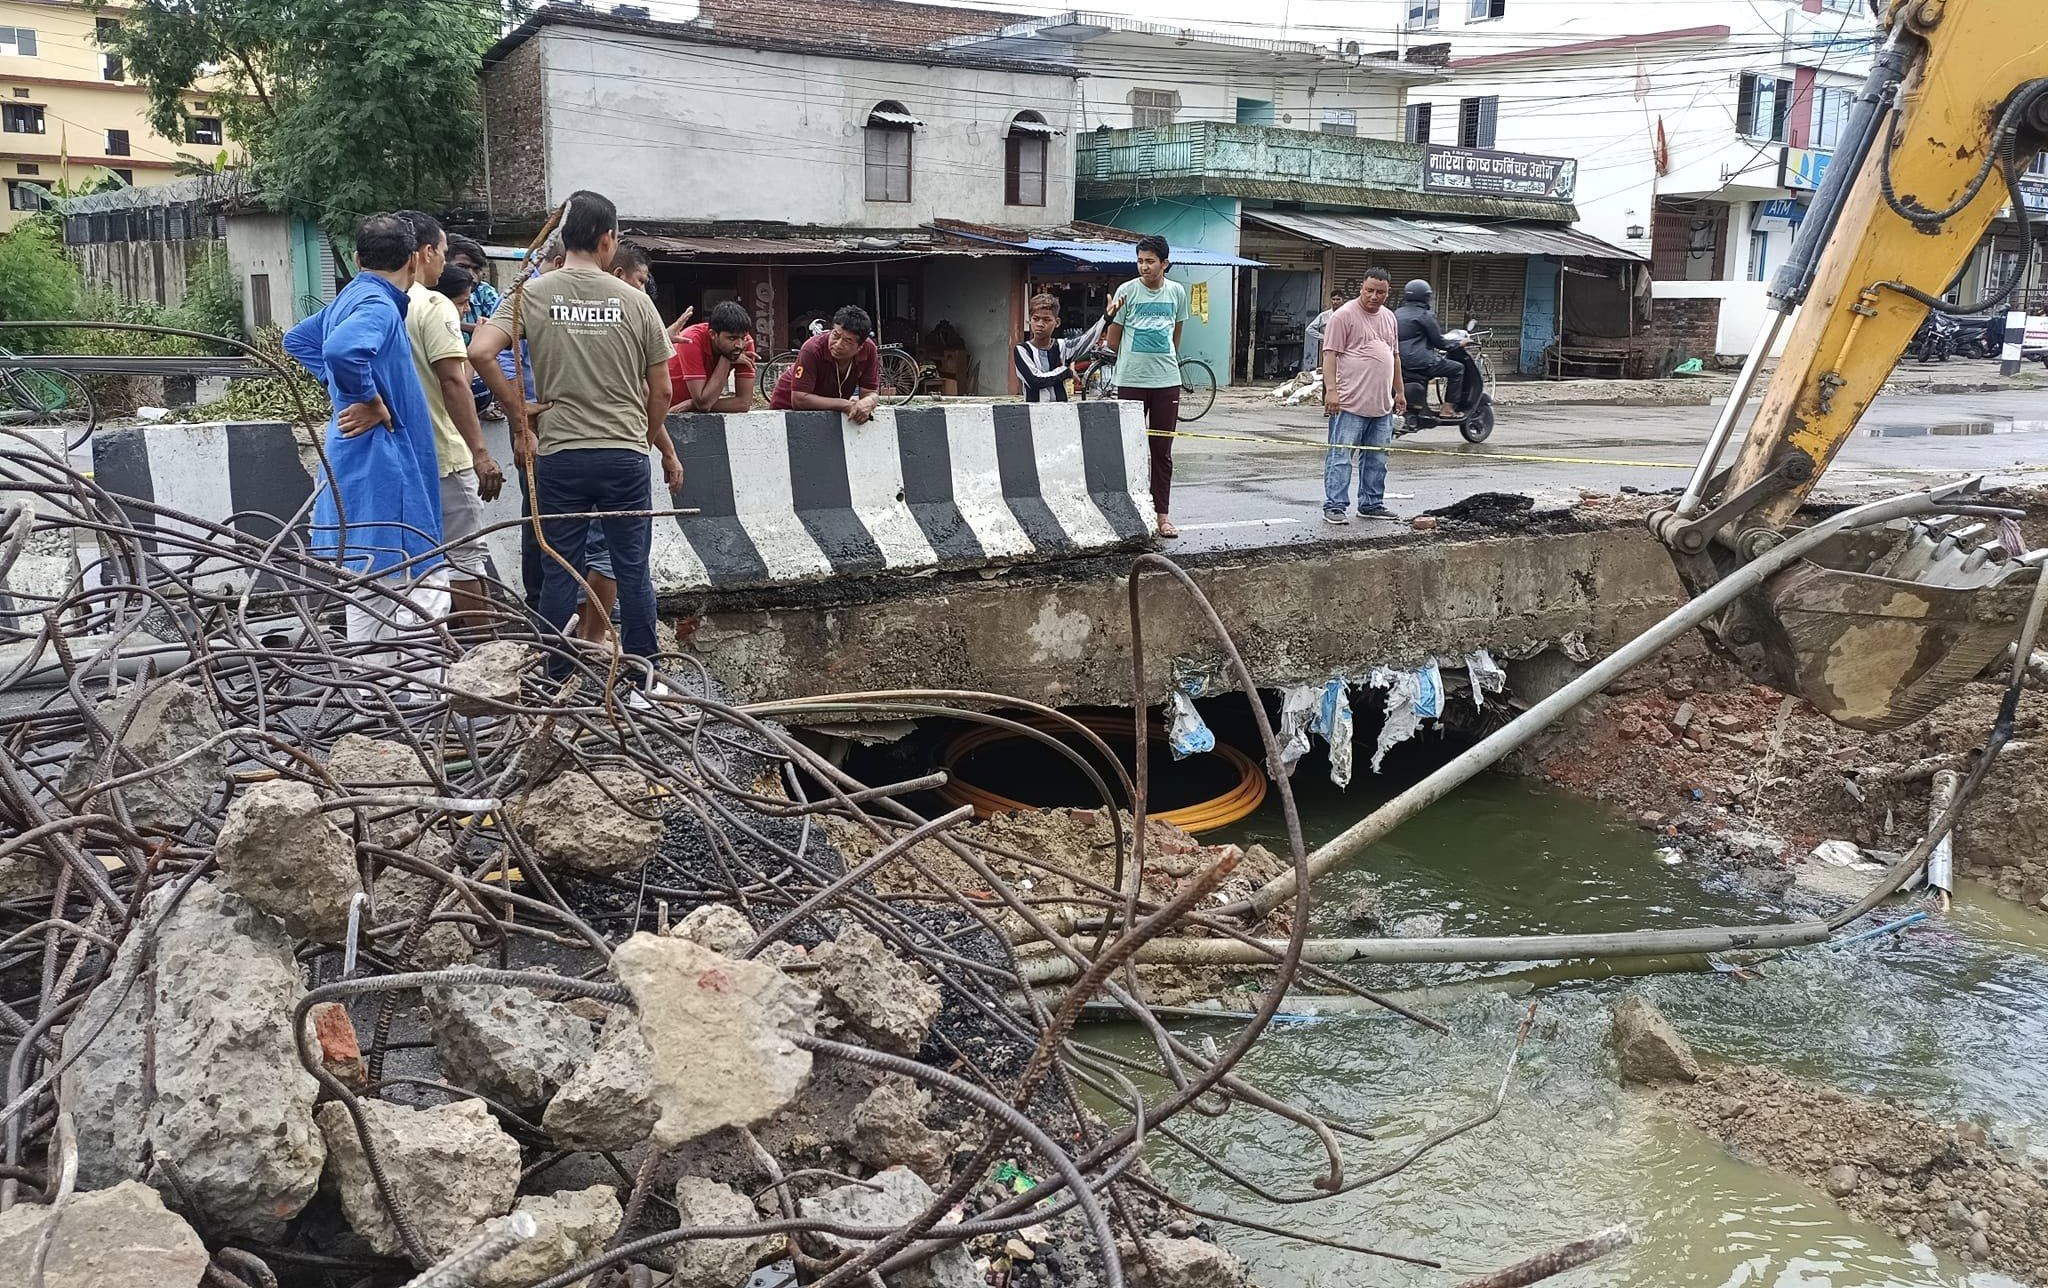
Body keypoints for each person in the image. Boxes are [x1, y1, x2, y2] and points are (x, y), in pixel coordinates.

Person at [468, 190, 682, 686]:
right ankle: (640, 682)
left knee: (559, 570)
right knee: (632, 570)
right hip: (623, 455)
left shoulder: (533, 293)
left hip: (560, 455)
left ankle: (553, 677)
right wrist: (644, 438)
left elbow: (480, 351)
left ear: (566, 239)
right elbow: (664, 389)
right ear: (608, 240)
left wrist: (518, 409)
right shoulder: (636, 301)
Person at [282, 212, 447, 645]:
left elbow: (298, 340)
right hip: (385, 467)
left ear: (357, 259)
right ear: (414, 260)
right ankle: (420, 702)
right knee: (421, 590)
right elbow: (340, 349)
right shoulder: (377, 305)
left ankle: (372, 699)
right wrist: (369, 400)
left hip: (354, 460)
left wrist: (344, 390)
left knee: (367, 590)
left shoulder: (350, 298)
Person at [395, 210, 505, 628]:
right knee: (465, 559)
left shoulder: (367, 302)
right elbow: (454, 383)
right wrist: (480, 452)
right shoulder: (432, 303)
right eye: (442, 253)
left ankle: (429, 656)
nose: (444, 263)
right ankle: (486, 663)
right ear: (425, 253)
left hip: (396, 457)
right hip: (442, 453)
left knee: (413, 561)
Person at [1102, 235, 1190, 538]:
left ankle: (1161, 515)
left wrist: (1165, 362)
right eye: (1140, 261)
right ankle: (1131, 513)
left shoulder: (1178, 292)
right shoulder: (1126, 292)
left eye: (1150, 261)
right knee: (1130, 451)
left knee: (1162, 451)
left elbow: (1176, 338)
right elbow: (1113, 341)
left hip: (1167, 382)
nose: (1144, 266)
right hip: (1130, 381)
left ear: (1164, 263)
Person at [1320, 268, 1406, 524]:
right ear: (1361, 288)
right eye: (1370, 290)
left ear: (1388, 293)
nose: (1374, 296)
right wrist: (1331, 391)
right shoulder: (1344, 316)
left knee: (1378, 458)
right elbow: (1330, 355)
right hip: (1349, 404)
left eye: (1381, 292)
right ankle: (1335, 505)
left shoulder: (1390, 318)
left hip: (1381, 406)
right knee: (1341, 457)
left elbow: (1395, 357)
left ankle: (1371, 503)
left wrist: (1400, 392)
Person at [768, 305, 879, 423]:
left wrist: (869, 401)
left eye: (847, 341)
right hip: (786, 409)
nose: (838, 344)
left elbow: (870, 392)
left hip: (826, 412)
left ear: (860, 347)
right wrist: (845, 405)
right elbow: (799, 399)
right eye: (836, 335)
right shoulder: (812, 349)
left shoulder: (869, 349)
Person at [448, 236, 505, 421]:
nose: (471, 275)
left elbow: (496, 329)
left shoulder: (484, 292)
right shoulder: (435, 296)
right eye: (463, 267)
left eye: (476, 269)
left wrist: (460, 326)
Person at [1013, 293, 1105, 403]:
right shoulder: (1022, 350)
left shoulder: (1062, 346)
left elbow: (1086, 340)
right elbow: (1035, 381)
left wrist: (1106, 318)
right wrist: (1066, 372)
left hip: (1061, 410)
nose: (1040, 324)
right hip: (1034, 413)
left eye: (1046, 320)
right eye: (1036, 319)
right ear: (1030, 320)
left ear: (1057, 322)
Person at [1397, 278, 1470, 416]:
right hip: (1422, 363)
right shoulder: (1425, 315)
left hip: (1400, 364)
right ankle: (1447, 409)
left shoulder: (1397, 313)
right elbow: (1440, 343)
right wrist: (1459, 344)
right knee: (1458, 369)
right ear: (1425, 297)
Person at [670, 300, 758, 413]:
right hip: (664, 407)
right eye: (731, 338)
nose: (739, 345)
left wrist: (692, 404)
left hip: (686, 408)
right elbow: (703, 404)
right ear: (713, 334)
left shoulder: (745, 343)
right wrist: (727, 359)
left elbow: (743, 404)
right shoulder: (691, 340)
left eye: (743, 337)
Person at [1302, 289, 1343, 375]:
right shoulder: (1324, 316)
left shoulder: (1347, 315)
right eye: (1333, 299)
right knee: (1329, 371)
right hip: (1329, 347)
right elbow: (1309, 329)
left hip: (1344, 347)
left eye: (1338, 299)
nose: (1335, 302)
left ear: (1342, 300)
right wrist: (1323, 337)